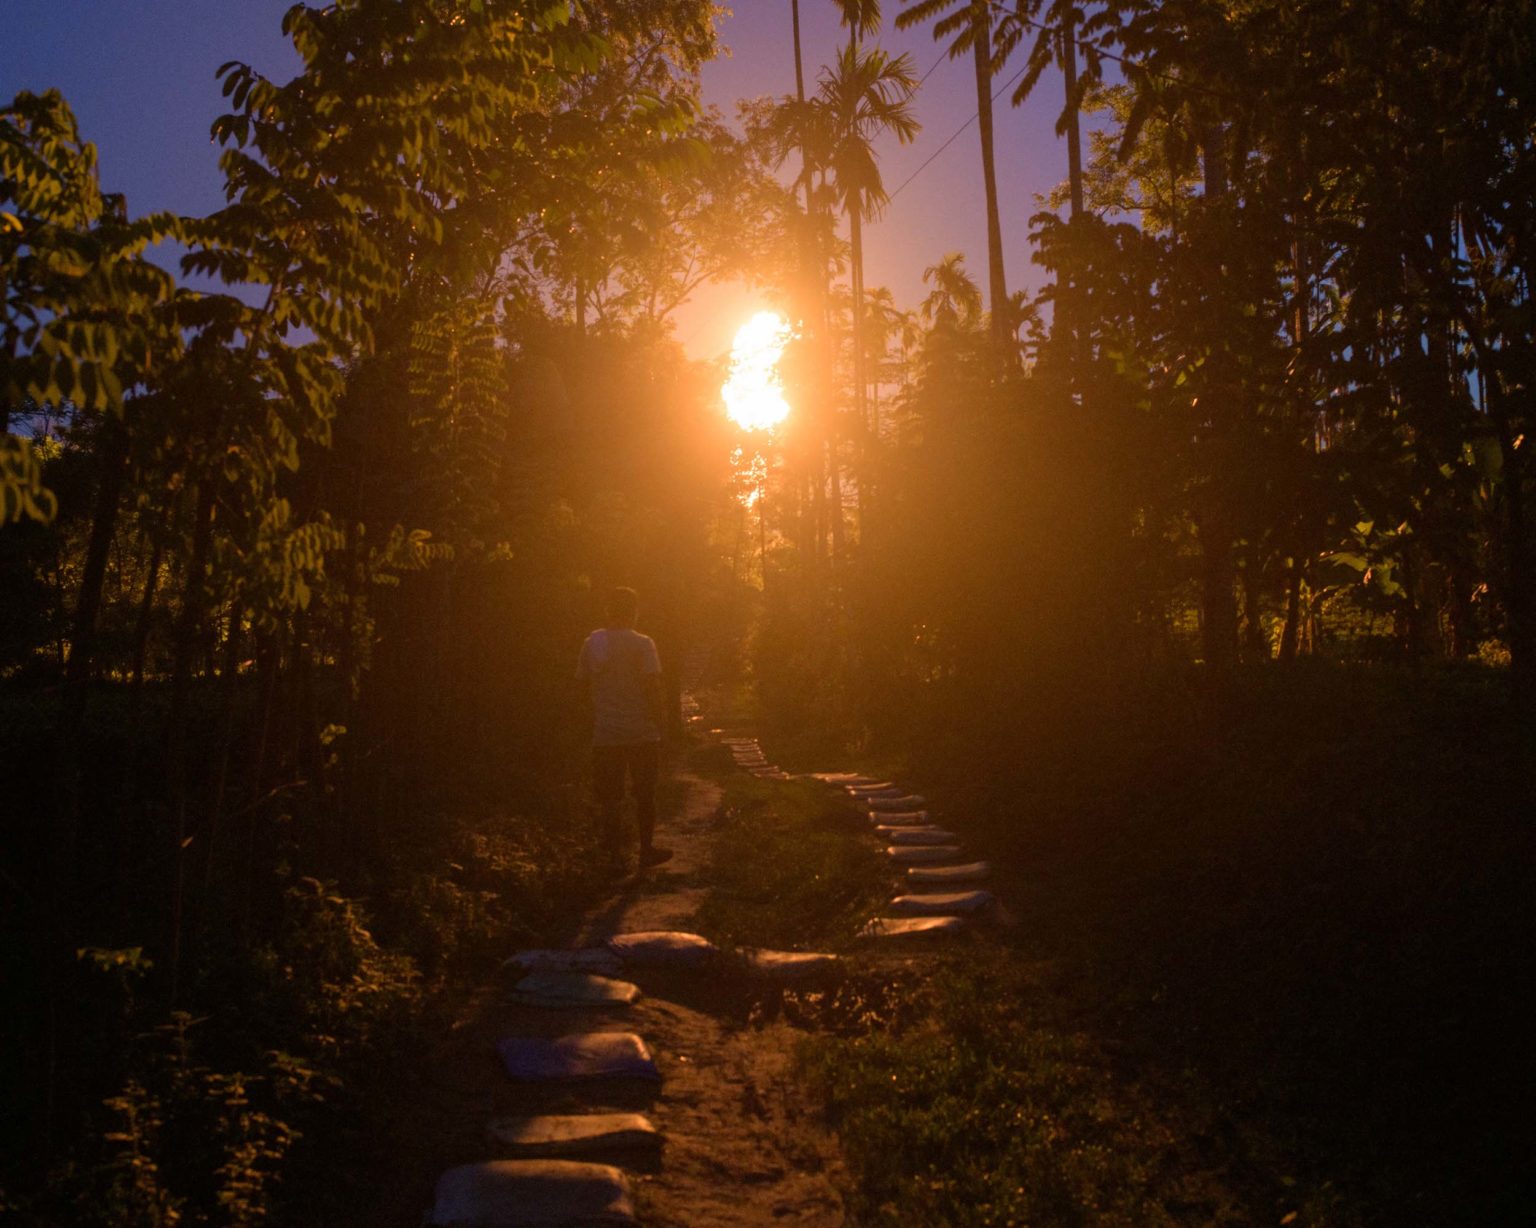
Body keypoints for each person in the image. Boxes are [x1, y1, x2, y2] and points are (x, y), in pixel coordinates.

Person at [576, 586, 671, 873]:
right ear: (634, 611)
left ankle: (614, 856)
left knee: (610, 798)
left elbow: (580, 687)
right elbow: (652, 686)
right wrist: (662, 723)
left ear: (608, 610)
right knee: (645, 794)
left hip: (606, 733)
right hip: (641, 731)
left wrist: (588, 722)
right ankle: (645, 850)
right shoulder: (643, 644)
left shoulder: (592, 643)